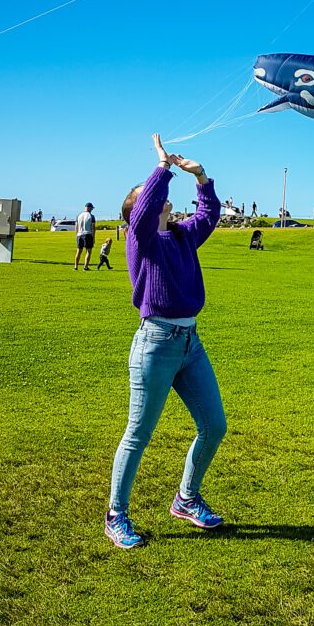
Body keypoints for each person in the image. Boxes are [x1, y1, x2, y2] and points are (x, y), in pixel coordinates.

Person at [105, 133, 225, 550]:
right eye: (154, 198)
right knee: (138, 433)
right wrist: (162, 167)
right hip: (155, 344)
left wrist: (202, 178)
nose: (164, 201)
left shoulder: (182, 235)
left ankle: (186, 500)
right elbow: (142, 213)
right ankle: (115, 515)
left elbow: (208, 215)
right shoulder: (141, 239)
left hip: (190, 342)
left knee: (214, 425)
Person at [74, 202, 96, 270]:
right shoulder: (91, 216)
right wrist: (93, 237)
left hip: (79, 234)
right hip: (88, 234)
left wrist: (76, 235)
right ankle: (85, 267)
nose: (92, 209)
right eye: (92, 208)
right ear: (89, 208)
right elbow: (93, 227)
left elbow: (76, 227)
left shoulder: (79, 215)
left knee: (79, 251)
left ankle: (76, 266)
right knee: (88, 251)